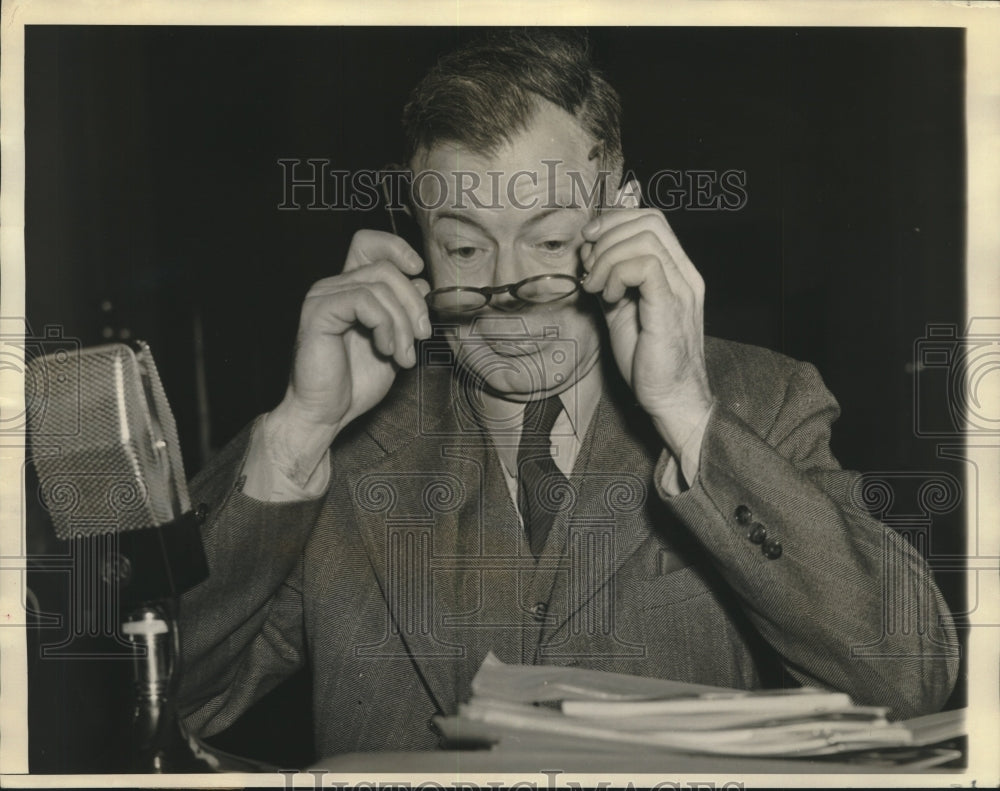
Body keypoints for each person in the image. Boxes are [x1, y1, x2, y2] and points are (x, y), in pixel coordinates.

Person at [176, 30, 958, 756]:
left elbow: (909, 678)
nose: (508, 289)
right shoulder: (340, 453)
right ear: (412, 242)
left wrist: (687, 412)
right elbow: (156, 698)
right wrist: (295, 433)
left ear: (622, 216)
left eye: (548, 240)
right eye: (463, 245)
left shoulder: (762, 401)